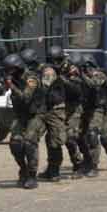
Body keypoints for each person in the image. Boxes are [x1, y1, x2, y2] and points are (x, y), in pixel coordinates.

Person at [0, 52, 44, 189]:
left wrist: (12, 86)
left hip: (35, 115)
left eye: (10, 69)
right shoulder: (13, 78)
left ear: (18, 67)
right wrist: (4, 85)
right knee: (15, 144)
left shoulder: (31, 78)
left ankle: (33, 176)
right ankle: (24, 170)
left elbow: (26, 98)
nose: (9, 72)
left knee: (29, 143)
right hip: (20, 116)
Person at [27, 47, 66, 182]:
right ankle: (36, 172)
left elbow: (46, 89)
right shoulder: (41, 71)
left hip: (54, 110)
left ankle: (54, 171)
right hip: (43, 110)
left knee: (54, 141)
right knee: (31, 138)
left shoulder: (48, 71)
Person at [80, 56, 107, 174]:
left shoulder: (100, 74)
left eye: (86, 68)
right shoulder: (82, 77)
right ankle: (92, 164)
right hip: (95, 109)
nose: (86, 71)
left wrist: (81, 75)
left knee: (104, 137)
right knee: (91, 134)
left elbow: (94, 84)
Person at [54, 47, 86, 177]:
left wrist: (64, 80)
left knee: (71, 137)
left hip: (75, 106)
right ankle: (53, 167)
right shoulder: (55, 69)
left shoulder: (71, 69)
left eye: (58, 60)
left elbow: (77, 90)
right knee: (57, 137)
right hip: (61, 106)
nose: (56, 63)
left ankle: (79, 164)